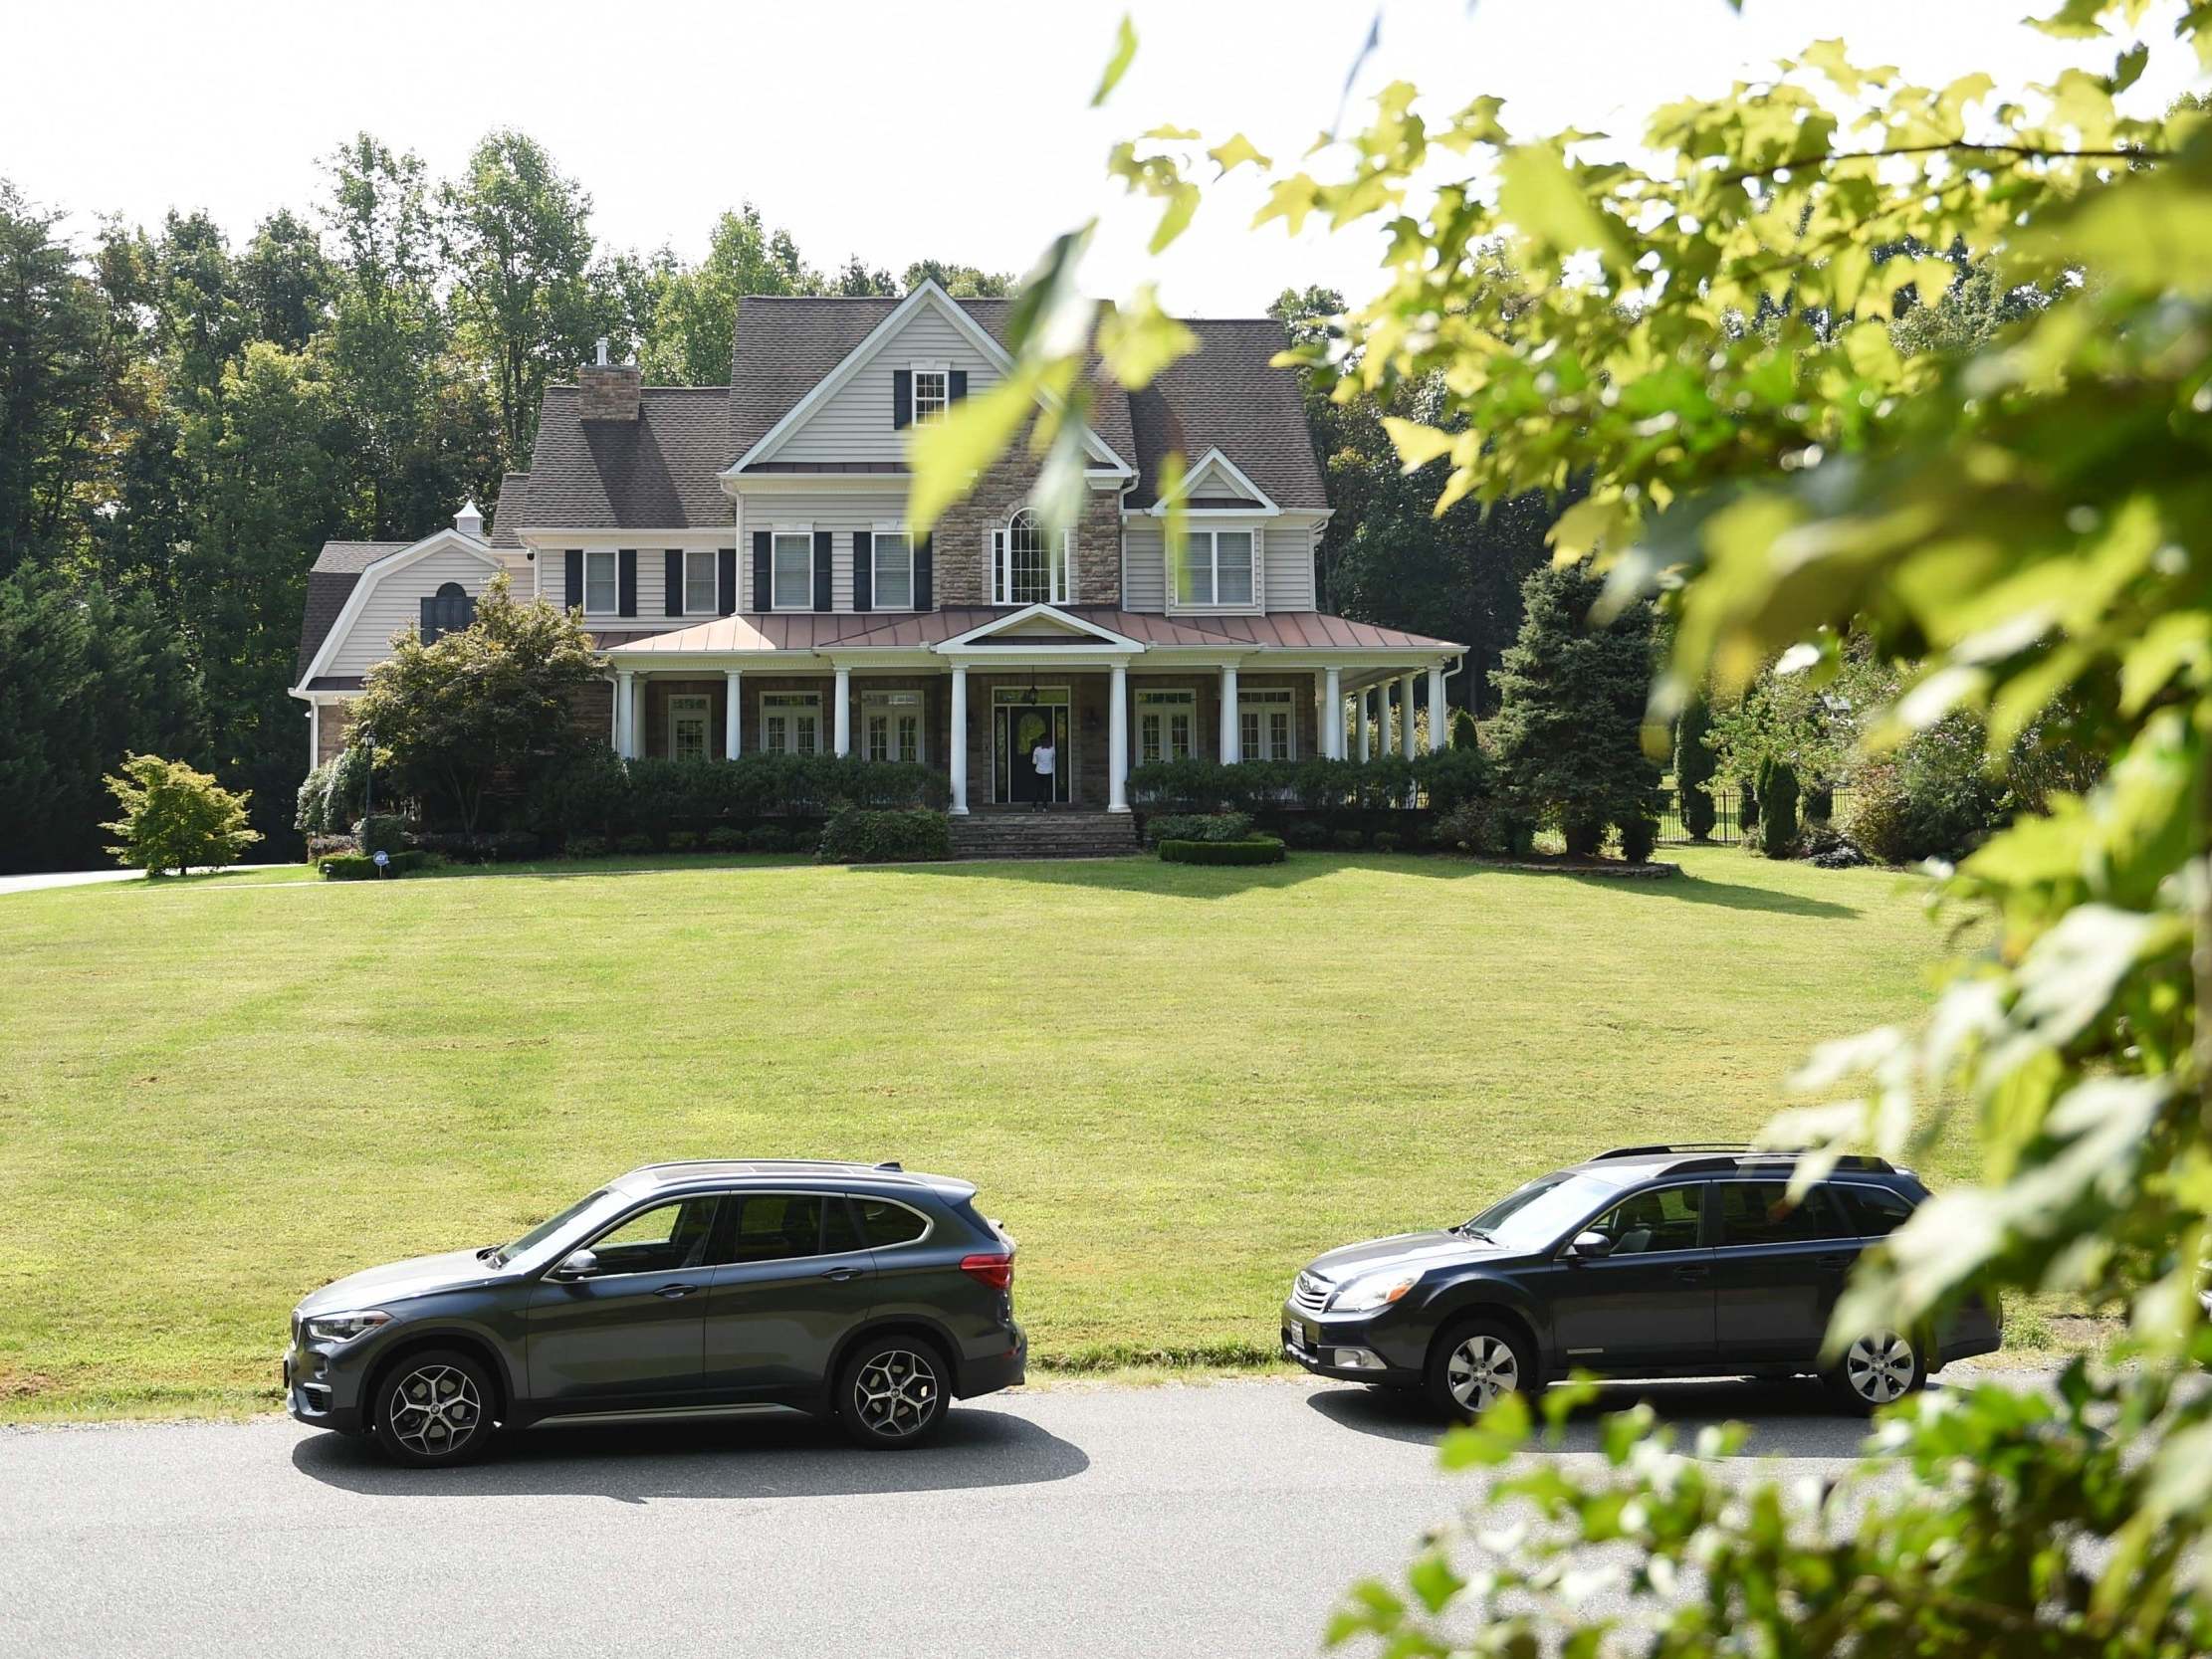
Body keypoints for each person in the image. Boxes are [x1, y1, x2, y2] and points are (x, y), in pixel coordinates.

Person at [1030, 730, 1056, 811]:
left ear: (1040, 740)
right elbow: (1053, 758)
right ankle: (1044, 808)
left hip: (1039, 771)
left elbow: (1034, 762)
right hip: (1048, 772)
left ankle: (1034, 807)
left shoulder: (1037, 749)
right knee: (1045, 789)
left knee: (1037, 789)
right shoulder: (1052, 749)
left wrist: (1038, 759)